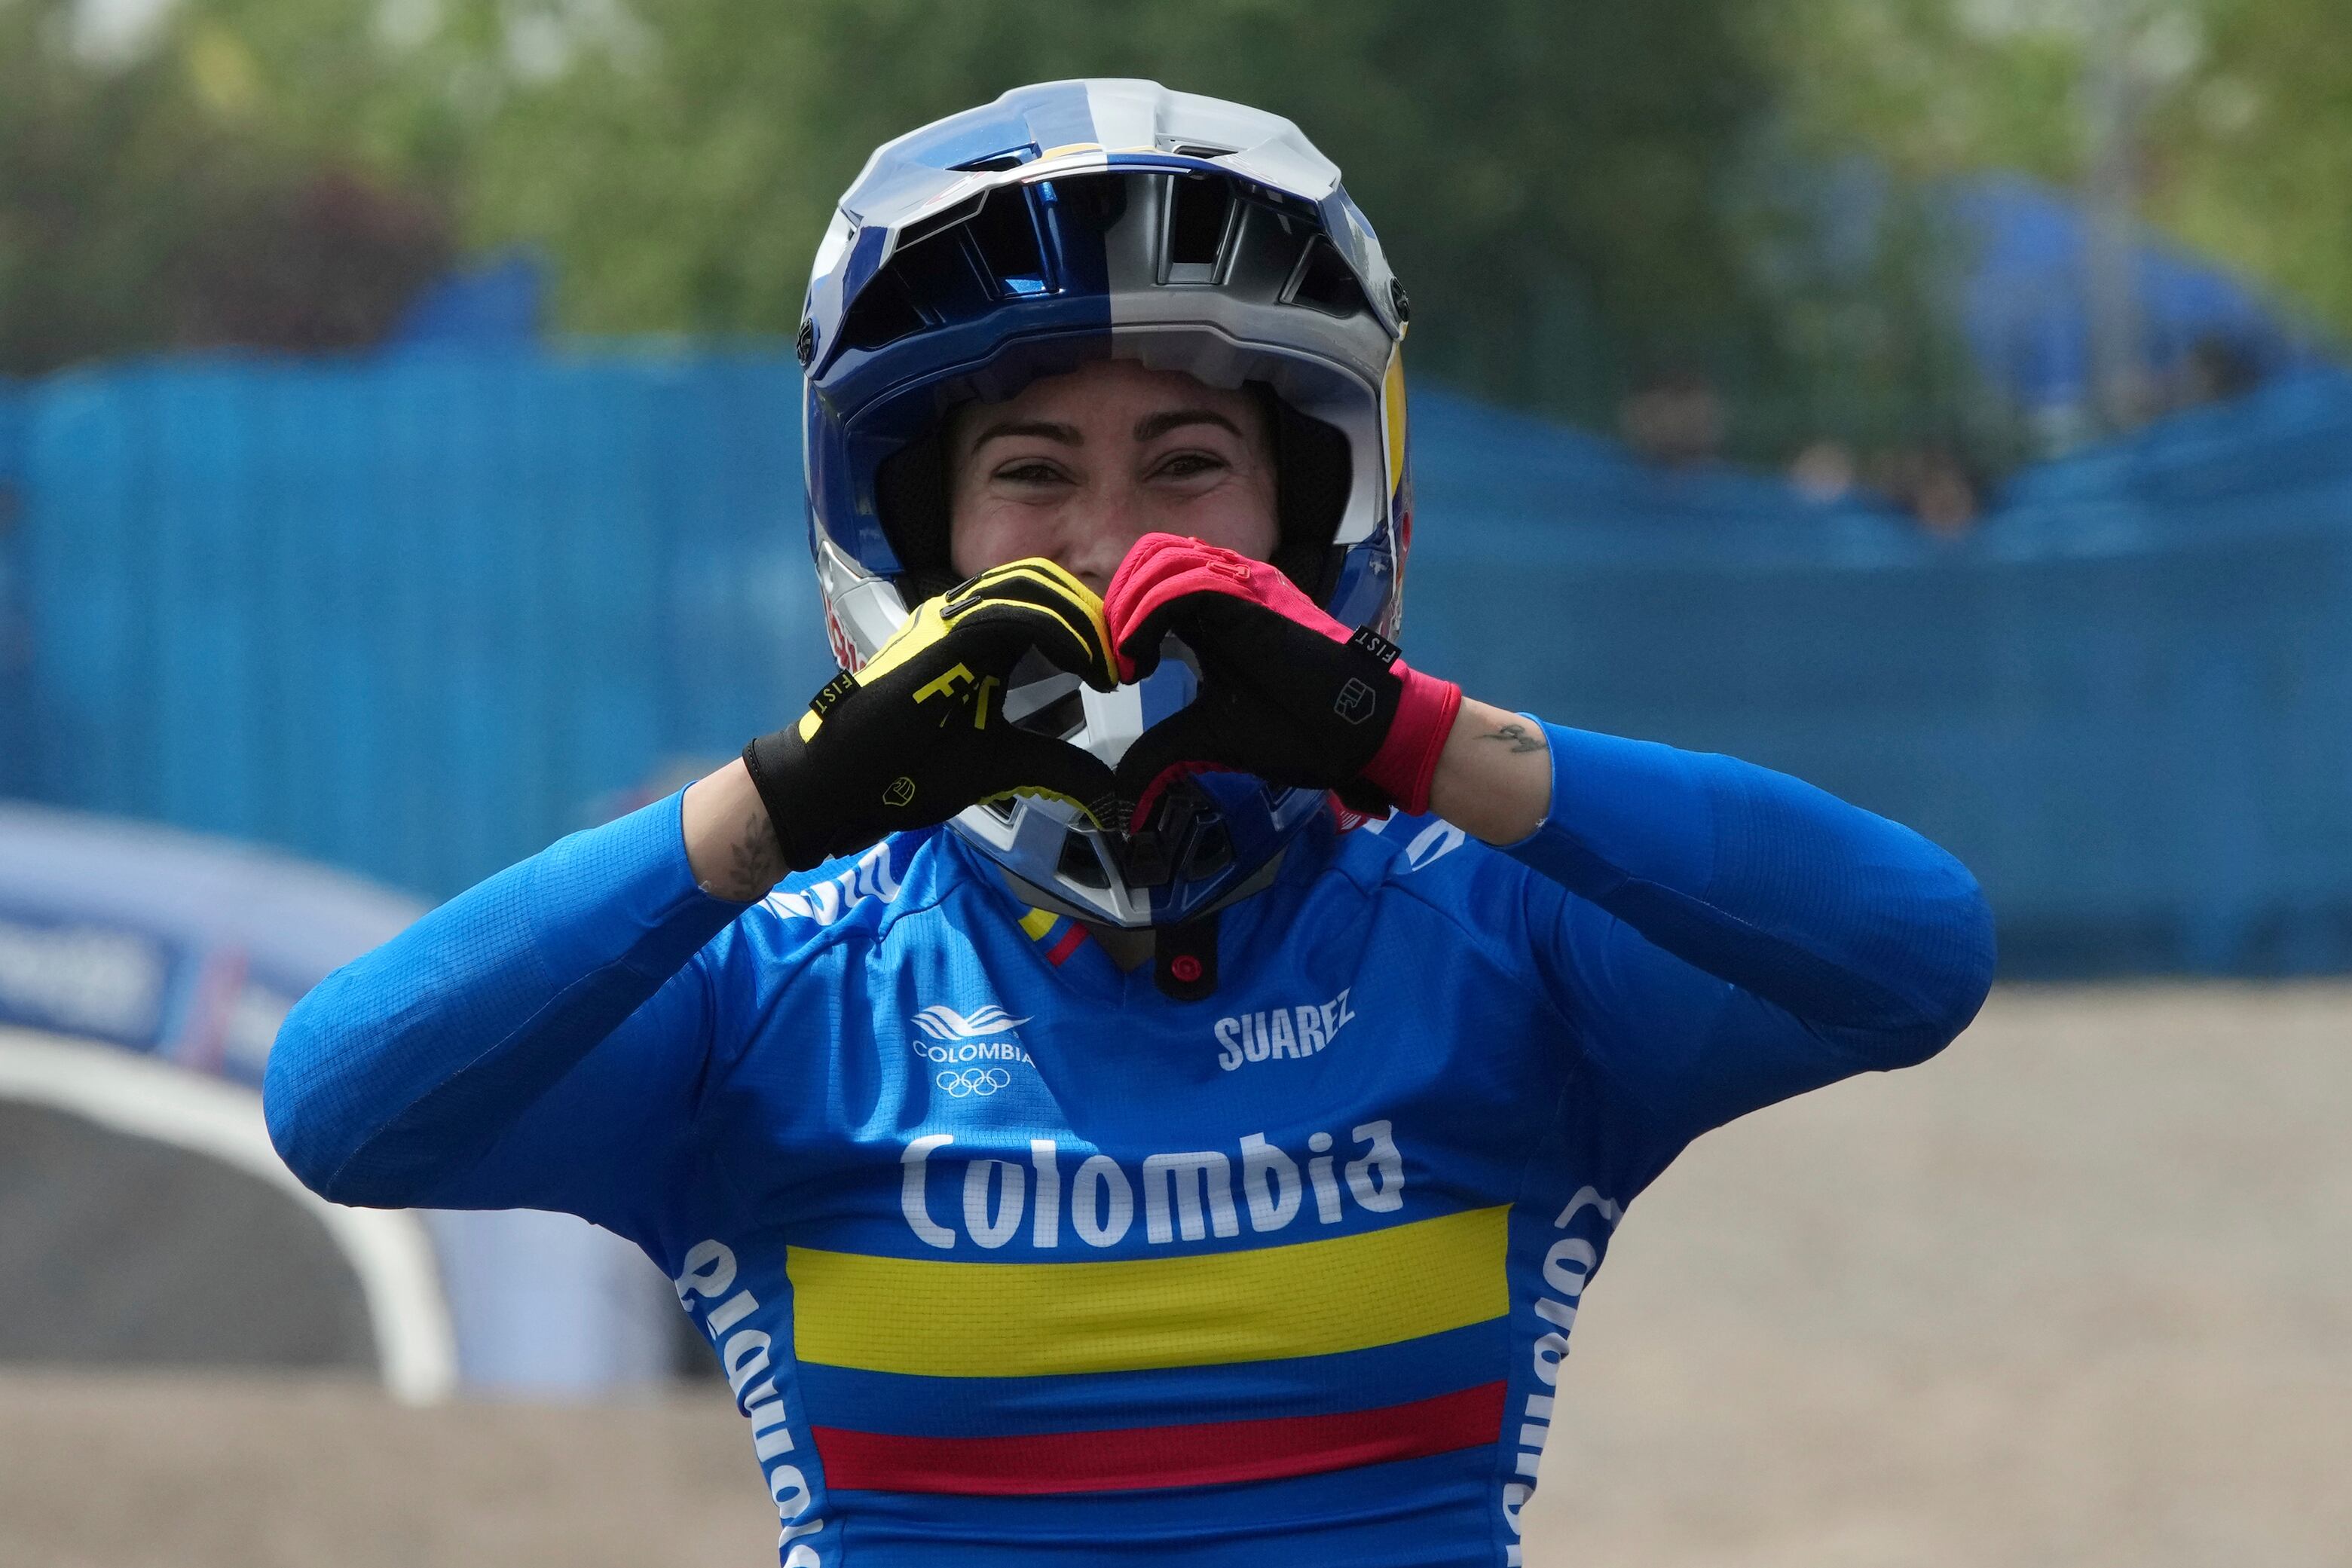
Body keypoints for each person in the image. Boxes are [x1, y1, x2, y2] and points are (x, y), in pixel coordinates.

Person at [265, 81, 1995, 1568]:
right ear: (919, 539)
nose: (1103, 541)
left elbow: (1914, 951)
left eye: (1186, 467)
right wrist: (792, 798)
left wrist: (1402, 734)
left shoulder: (1492, 944)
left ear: (1316, 515)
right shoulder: (780, 994)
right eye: (1028, 473)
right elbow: (342, 1105)